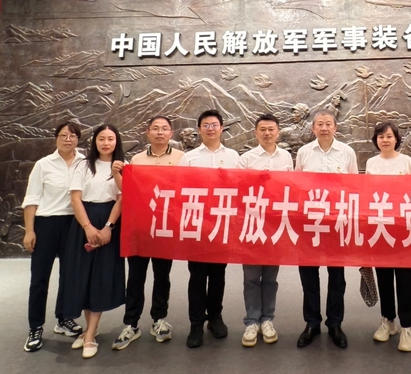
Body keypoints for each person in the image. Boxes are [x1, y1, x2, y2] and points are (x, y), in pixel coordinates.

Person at [112, 116, 184, 350]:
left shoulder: (182, 158)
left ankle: (159, 319)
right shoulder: (137, 159)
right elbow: (129, 191)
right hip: (141, 226)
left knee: (162, 276)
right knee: (135, 276)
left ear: (171, 133)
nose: (160, 132)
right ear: (148, 132)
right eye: (155, 128)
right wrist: (117, 174)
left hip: (165, 225)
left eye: (164, 129)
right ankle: (131, 323)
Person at [294, 109, 358, 349]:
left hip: (336, 222)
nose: (324, 127)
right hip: (309, 222)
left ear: (335, 127)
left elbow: (354, 187)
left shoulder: (347, 152)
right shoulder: (303, 152)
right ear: (313, 128)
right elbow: (297, 186)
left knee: (337, 276)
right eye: (319, 124)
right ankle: (312, 322)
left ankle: (335, 323)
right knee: (308, 276)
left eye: (328, 123)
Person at [21, 121, 85, 352]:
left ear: (78, 139)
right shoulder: (43, 164)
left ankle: (64, 318)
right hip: (46, 224)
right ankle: (35, 327)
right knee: (39, 278)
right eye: (63, 135)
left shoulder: (84, 162)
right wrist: (30, 230)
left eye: (72, 136)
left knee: (70, 275)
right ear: (56, 138)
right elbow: (31, 198)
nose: (68, 139)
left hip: (73, 224)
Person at [63, 124, 126, 359]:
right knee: (83, 276)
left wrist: (108, 227)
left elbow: (123, 198)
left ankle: (89, 333)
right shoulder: (82, 165)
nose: (106, 143)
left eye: (110, 139)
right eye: (101, 139)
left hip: (109, 220)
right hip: (83, 222)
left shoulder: (122, 165)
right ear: (95, 141)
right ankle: (91, 328)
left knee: (100, 277)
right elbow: (75, 198)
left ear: (116, 141)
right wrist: (88, 227)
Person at [179, 109, 240, 348]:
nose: (210, 128)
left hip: (222, 223)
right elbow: (179, 189)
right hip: (196, 222)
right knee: (197, 275)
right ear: (199, 129)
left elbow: (241, 187)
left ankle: (215, 316)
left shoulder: (233, 156)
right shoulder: (189, 158)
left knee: (217, 274)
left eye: (214, 124)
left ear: (222, 128)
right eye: (206, 125)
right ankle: (196, 322)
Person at [238, 114, 294, 347]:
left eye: (271, 129)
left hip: (275, 224)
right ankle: (252, 321)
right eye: (263, 129)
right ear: (256, 132)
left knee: (270, 277)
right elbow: (239, 190)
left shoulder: (286, 157)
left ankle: (267, 319)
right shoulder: (246, 159)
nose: (267, 133)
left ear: (278, 132)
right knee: (251, 277)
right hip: (252, 223)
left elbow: (291, 188)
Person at [365, 121, 411, 353]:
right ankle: (388, 320)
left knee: (405, 278)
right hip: (380, 227)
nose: (385, 140)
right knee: (384, 276)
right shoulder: (371, 163)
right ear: (376, 140)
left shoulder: (407, 162)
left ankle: (406, 327)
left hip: (403, 227)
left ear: (396, 139)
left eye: (389, 136)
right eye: (381, 137)